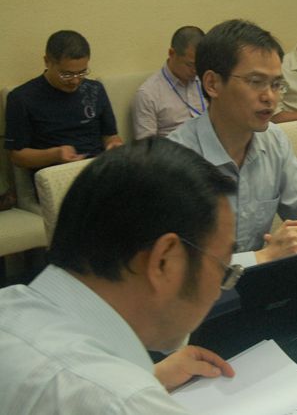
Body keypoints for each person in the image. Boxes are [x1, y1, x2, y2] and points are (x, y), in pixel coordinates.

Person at [0, 138, 238, 413]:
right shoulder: (124, 402)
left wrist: (150, 377)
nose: (218, 291)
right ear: (165, 261)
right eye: (223, 267)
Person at [169, 19, 297, 267]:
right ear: (212, 84)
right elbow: (175, 266)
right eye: (255, 82)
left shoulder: (273, 140)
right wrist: (261, 257)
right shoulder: (174, 160)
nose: (270, 97)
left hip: (262, 281)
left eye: (276, 84)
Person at [4, 30, 123, 170]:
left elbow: (110, 136)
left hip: (97, 166)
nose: (75, 81)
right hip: (56, 171)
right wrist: (55, 155)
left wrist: (114, 145)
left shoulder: (95, 89)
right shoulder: (21, 98)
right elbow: (17, 156)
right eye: (66, 74)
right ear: (47, 62)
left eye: (82, 72)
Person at [132, 26, 208, 139]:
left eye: (200, 64)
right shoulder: (148, 94)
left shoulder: (206, 81)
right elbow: (147, 146)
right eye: (190, 65)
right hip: (175, 148)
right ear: (172, 53)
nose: (196, 71)